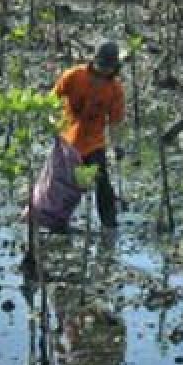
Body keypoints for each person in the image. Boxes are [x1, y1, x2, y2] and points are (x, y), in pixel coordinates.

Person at [51, 40, 126, 231]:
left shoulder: (115, 89)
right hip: (68, 138)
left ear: (115, 68)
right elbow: (51, 101)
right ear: (93, 62)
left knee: (102, 183)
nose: (102, 73)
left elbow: (115, 122)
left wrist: (117, 145)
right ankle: (56, 222)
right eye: (100, 66)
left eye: (107, 69)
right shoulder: (73, 76)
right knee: (62, 184)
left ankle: (109, 224)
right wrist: (52, 124)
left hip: (94, 143)